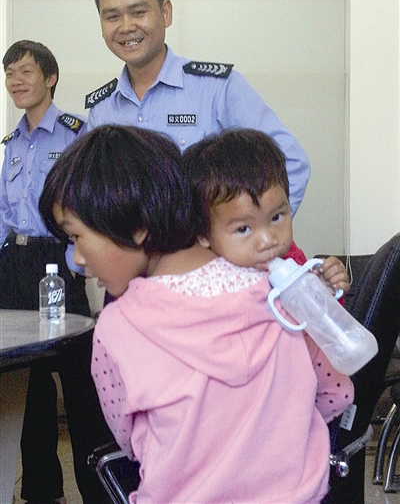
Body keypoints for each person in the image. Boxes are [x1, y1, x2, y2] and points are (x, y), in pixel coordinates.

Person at [39, 123, 353, 504]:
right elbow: (336, 393)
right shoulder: (281, 293)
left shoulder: (117, 328)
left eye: (77, 236)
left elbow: (130, 442)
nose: (77, 259)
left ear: (136, 228)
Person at [86, 0, 310, 217]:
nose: (126, 26)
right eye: (112, 16)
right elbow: (90, 197)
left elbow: (291, 163)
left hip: (201, 244)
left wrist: (253, 232)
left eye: (138, 12)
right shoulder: (102, 109)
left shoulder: (217, 88)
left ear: (166, 13)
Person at [0, 40, 112, 504]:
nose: (16, 82)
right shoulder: (11, 144)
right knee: (27, 387)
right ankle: (44, 491)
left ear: (50, 78)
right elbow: (3, 213)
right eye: (10, 74)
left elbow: (93, 200)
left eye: (25, 72)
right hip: (14, 267)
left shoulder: (76, 133)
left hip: (60, 263)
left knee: (80, 381)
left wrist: (75, 259)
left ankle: (99, 490)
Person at [181, 127, 351, 294]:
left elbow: (315, 310)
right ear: (203, 234)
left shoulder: (292, 257)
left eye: (276, 217)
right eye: (243, 229)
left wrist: (323, 289)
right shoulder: (204, 283)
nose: (267, 241)